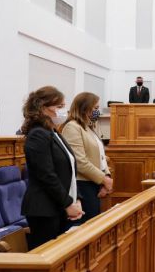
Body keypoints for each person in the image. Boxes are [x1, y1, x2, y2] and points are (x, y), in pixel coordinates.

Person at [21, 86, 84, 250]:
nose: (63, 112)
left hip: (57, 205)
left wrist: (76, 199)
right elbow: (46, 175)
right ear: (43, 108)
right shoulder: (37, 134)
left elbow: (68, 169)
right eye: (58, 107)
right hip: (44, 209)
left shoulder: (53, 132)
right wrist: (68, 203)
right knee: (47, 257)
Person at [61, 92, 113, 224]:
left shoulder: (88, 127)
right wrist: (103, 179)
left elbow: (101, 157)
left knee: (94, 223)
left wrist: (106, 176)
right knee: (87, 226)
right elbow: (80, 161)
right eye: (95, 108)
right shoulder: (72, 127)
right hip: (83, 185)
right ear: (84, 107)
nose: (97, 111)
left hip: (94, 183)